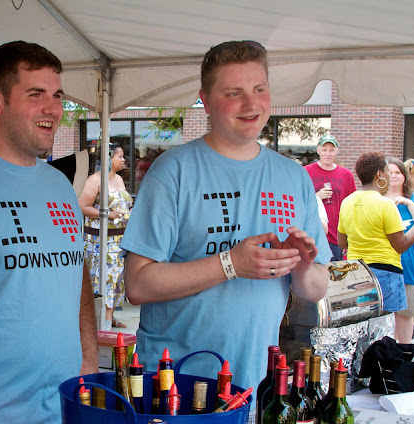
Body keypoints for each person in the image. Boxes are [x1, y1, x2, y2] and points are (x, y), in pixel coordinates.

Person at [120, 40, 331, 420]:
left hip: (254, 386)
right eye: (234, 93)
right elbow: (137, 285)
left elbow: (315, 288)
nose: (251, 105)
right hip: (177, 389)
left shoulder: (294, 177)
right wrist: (230, 263)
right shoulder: (173, 171)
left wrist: (300, 264)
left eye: (259, 89)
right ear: (205, 99)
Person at [0, 40, 98, 424]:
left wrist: (90, 360)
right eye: (36, 95)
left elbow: (75, 272)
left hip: (63, 406)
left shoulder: (60, 185)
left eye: (57, 95)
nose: (54, 109)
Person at [337, 152, 414, 342]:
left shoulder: (347, 202)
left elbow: (343, 243)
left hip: (357, 272)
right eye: (387, 171)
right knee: (384, 334)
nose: (390, 175)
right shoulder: (385, 204)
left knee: (362, 332)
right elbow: (401, 245)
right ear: (379, 175)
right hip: (385, 274)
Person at [79, 144, 133, 328]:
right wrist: (107, 214)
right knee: (103, 281)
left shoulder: (119, 179)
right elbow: (82, 206)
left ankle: (109, 319)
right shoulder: (94, 180)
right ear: (108, 158)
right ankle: (104, 324)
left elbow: (122, 205)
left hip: (119, 240)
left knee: (116, 280)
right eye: (120, 156)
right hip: (100, 242)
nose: (123, 160)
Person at [384, 159, 414, 343]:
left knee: (406, 317)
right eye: (390, 172)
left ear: (404, 176)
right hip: (385, 265)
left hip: (409, 267)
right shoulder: (378, 198)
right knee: (384, 320)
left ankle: (403, 358)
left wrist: (409, 204)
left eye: (398, 172)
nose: (394, 176)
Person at [305, 134, 357, 261]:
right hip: (313, 234)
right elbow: (297, 201)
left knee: (335, 275)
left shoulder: (346, 175)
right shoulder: (306, 172)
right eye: (324, 150)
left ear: (337, 151)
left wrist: (348, 237)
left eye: (331, 150)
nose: (328, 154)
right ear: (318, 150)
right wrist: (316, 197)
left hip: (337, 235)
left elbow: (352, 207)